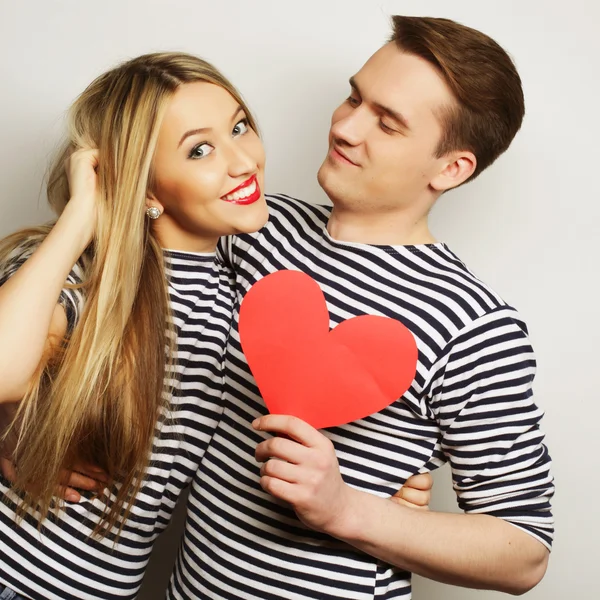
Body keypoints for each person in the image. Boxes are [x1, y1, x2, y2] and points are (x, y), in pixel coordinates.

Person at [0, 52, 430, 600]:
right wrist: (84, 214)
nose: (242, 161)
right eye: (200, 150)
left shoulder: (243, 288)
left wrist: (399, 476)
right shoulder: (90, 272)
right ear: (148, 189)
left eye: (239, 127)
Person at [166, 16, 554, 600]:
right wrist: (22, 428)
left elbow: (524, 552)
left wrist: (346, 509)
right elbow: (114, 288)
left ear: (451, 168)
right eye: (354, 96)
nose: (345, 127)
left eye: (387, 123)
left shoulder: (475, 324)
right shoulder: (252, 225)